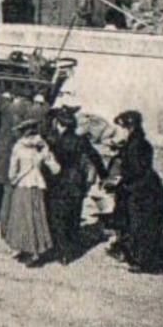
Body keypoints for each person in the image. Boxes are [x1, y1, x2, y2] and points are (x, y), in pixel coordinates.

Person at [107, 109, 163, 273]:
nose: (119, 131)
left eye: (121, 127)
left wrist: (119, 181)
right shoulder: (139, 142)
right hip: (146, 186)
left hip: (142, 189)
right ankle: (134, 256)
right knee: (138, 223)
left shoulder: (135, 145)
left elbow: (135, 170)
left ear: (129, 127)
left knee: (140, 225)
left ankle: (141, 262)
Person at [44, 107, 106, 263]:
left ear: (59, 123)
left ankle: (59, 250)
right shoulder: (81, 140)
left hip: (58, 181)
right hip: (77, 180)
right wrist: (104, 175)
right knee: (73, 213)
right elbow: (95, 157)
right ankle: (70, 250)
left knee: (56, 215)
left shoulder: (53, 140)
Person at [1, 118, 60, 265]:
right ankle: (35, 250)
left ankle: (20, 247)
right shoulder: (41, 147)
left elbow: (12, 171)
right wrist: (46, 152)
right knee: (35, 217)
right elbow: (55, 169)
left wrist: (13, 179)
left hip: (22, 185)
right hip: (37, 184)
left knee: (20, 217)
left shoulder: (18, 148)